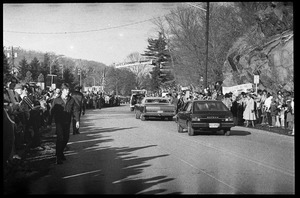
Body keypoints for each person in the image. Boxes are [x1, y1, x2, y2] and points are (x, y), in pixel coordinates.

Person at [48, 83, 80, 164]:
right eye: (66, 90)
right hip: (59, 122)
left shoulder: (71, 100)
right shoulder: (56, 100)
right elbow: (51, 111)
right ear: (62, 90)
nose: (68, 92)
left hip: (67, 122)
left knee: (66, 138)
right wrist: (49, 123)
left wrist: (77, 120)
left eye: (68, 90)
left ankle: (60, 152)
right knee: (60, 138)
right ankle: (58, 157)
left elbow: (75, 110)